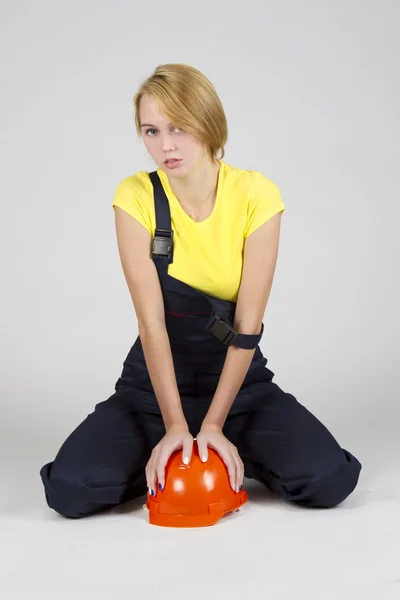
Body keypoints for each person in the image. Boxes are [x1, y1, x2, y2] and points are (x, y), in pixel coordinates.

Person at [39, 63, 362, 518]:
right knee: (71, 491)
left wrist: (212, 423)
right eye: (151, 131)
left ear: (209, 123)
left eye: (179, 128)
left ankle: (224, 446)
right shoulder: (134, 196)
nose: (165, 145)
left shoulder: (256, 194)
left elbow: (247, 327)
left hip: (239, 385)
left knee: (326, 480)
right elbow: (151, 324)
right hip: (151, 389)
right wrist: (174, 425)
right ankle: (168, 447)